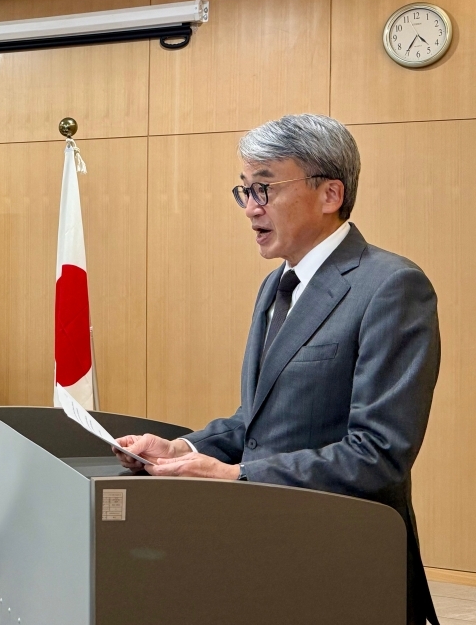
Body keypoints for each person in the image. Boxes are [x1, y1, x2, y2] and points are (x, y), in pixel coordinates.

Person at [114, 114, 440, 625]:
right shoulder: (275, 286)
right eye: (243, 191)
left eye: (264, 188)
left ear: (330, 193)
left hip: (346, 562)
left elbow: (379, 453)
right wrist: (186, 448)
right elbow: (259, 422)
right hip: (265, 549)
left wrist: (239, 475)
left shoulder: (391, 286)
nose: (250, 208)